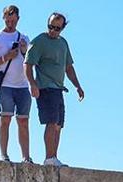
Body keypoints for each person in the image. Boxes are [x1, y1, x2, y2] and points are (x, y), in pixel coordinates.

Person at [24, 12, 85, 167]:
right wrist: (32, 84)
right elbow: (28, 64)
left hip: (59, 89)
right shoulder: (39, 41)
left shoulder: (63, 43)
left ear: (62, 28)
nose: (53, 31)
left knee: (58, 124)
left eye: (57, 28)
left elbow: (68, 67)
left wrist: (77, 86)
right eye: (50, 27)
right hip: (45, 88)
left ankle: (54, 157)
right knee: (51, 122)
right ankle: (49, 157)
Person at [0, 5, 32, 163]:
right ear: (3, 18)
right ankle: (4, 155)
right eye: (8, 20)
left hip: (23, 85)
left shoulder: (24, 38)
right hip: (5, 85)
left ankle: (26, 157)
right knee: (5, 118)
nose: (10, 23)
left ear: (18, 19)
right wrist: (6, 57)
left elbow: (30, 62)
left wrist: (24, 51)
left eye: (13, 20)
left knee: (23, 121)